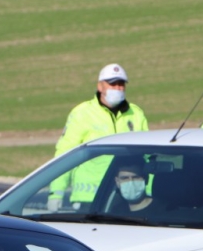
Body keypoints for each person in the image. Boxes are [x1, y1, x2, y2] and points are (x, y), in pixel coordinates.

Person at [47, 64, 148, 210]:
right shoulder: (82, 113)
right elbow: (65, 153)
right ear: (100, 86)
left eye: (121, 84)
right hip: (89, 198)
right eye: (113, 84)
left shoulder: (136, 114)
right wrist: (56, 193)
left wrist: (148, 190)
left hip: (128, 196)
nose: (118, 88)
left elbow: (147, 156)